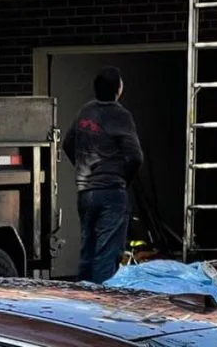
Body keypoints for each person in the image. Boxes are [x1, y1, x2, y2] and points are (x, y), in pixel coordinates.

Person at [62, 66, 143, 283]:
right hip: (110, 192)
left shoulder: (85, 111)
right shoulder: (120, 115)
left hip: (85, 191)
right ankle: (101, 308)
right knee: (106, 255)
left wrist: (84, 169)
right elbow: (135, 156)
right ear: (118, 89)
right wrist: (123, 180)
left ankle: (82, 302)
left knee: (87, 252)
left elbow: (68, 143)